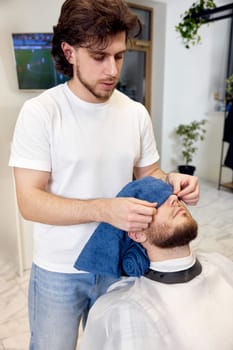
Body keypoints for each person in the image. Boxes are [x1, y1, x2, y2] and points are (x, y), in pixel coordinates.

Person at [9, 1, 199, 349]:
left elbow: (150, 173)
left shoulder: (135, 113)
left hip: (119, 267)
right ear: (69, 52)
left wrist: (172, 180)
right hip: (58, 270)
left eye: (119, 56)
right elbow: (30, 202)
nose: (112, 69)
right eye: (99, 56)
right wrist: (104, 209)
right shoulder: (40, 113)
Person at [80, 178, 233, 350]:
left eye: (173, 195)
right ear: (137, 234)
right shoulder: (127, 311)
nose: (174, 199)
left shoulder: (221, 265)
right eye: (156, 202)